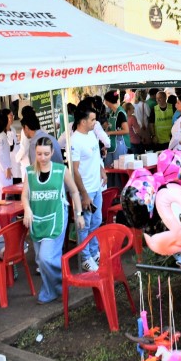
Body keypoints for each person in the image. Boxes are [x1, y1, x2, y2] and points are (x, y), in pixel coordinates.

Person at [22, 136, 85, 305]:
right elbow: (25, 195)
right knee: (40, 261)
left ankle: (59, 286)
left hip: (56, 218)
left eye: (46, 154)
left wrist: (79, 214)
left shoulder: (60, 170)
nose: (42, 157)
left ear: (52, 153)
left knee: (46, 258)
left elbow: (74, 191)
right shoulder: (30, 172)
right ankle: (53, 289)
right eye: (39, 154)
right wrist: (27, 208)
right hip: (37, 219)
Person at [70, 106, 107, 272]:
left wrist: (102, 170)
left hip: (96, 187)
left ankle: (93, 251)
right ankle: (85, 257)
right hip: (85, 190)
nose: (95, 122)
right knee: (84, 225)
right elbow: (75, 170)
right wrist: (84, 194)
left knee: (97, 221)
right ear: (83, 121)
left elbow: (96, 157)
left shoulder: (91, 134)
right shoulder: (75, 141)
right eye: (92, 119)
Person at [103, 90, 130, 168]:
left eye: (105, 101)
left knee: (119, 167)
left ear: (108, 101)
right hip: (111, 143)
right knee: (108, 166)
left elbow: (126, 130)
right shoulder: (112, 112)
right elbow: (110, 126)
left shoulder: (120, 113)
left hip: (120, 143)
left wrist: (110, 133)